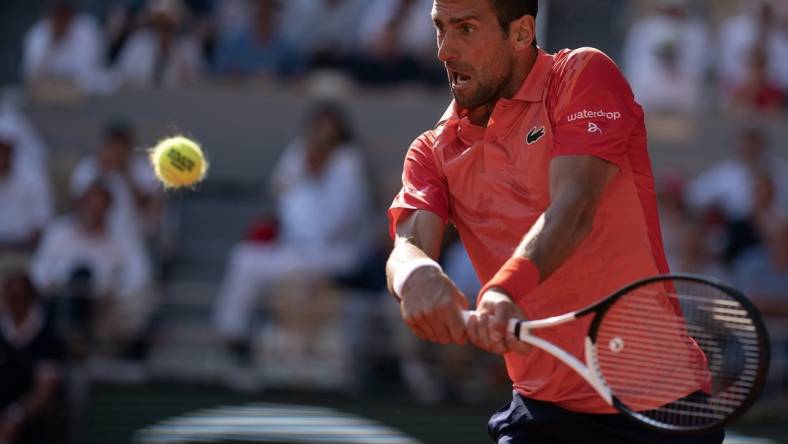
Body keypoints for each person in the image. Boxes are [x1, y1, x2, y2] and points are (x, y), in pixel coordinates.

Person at [385, 1, 723, 443]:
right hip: (543, 413)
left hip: (662, 407)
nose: (444, 50)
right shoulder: (431, 151)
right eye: (440, 29)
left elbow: (575, 206)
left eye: (466, 29)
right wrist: (416, 274)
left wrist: (505, 289)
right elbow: (408, 243)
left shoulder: (582, 75)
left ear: (522, 33)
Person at [213, 103, 373, 364]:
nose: (320, 141)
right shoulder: (299, 153)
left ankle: (306, 358)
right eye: (317, 132)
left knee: (296, 283)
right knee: (245, 258)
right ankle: (233, 335)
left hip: (336, 254)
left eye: (328, 135)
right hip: (295, 250)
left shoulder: (348, 162)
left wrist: (316, 176)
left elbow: (337, 223)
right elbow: (278, 191)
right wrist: (305, 170)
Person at [0, 272, 65, 444]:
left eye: (19, 297)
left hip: (35, 427)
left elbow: (45, 391)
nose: (14, 303)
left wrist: (15, 416)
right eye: (10, 297)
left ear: (30, 299)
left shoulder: (48, 337)